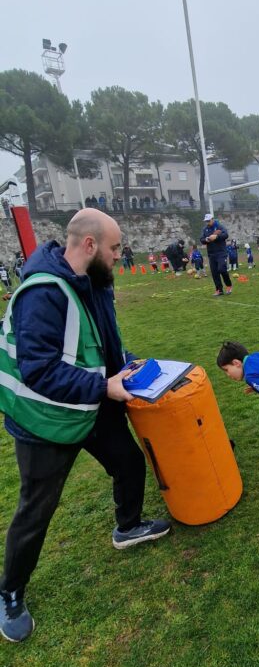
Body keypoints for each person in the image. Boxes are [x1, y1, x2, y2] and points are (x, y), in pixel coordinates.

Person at [0, 209, 171, 643]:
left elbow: (100, 338)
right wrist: (104, 386)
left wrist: (126, 365)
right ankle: (9, 593)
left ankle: (127, 526)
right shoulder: (43, 292)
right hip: (45, 419)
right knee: (36, 510)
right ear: (90, 246)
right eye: (115, 248)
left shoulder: (93, 280)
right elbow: (39, 370)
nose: (120, 255)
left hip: (92, 400)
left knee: (129, 462)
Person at [200, 213, 232, 296]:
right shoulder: (205, 229)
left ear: (212, 219)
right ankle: (219, 290)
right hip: (211, 254)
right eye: (206, 221)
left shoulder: (219, 226)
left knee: (222, 269)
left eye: (209, 221)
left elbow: (226, 235)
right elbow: (201, 239)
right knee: (214, 272)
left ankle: (228, 285)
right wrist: (206, 239)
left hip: (221, 252)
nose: (207, 222)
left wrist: (216, 237)